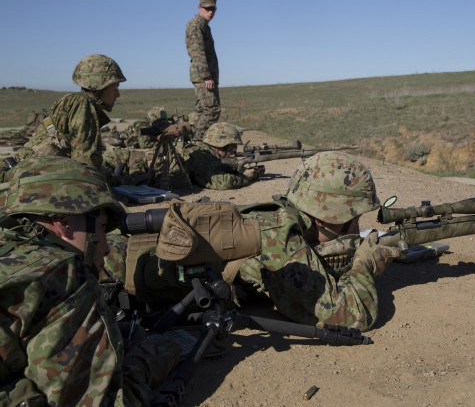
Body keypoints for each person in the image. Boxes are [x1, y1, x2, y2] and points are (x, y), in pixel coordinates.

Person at [127, 151, 401, 332]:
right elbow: (351, 315)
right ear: (329, 216)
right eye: (354, 217)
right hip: (122, 270)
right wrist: (364, 262)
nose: (357, 226)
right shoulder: (281, 238)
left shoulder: (277, 220)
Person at [0, 156, 181, 406]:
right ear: (62, 223)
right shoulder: (62, 275)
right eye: (102, 227)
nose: (106, 248)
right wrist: (148, 361)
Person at [16, 54, 126, 175]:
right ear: (98, 87)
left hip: (30, 169)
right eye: (115, 88)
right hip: (32, 173)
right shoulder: (83, 104)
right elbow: (85, 163)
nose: (118, 95)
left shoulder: (77, 101)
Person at [182, 121, 264, 189]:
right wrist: (246, 176)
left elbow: (217, 166)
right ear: (222, 145)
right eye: (233, 147)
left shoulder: (206, 153)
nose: (234, 151)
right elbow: (223, 182)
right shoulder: (201, 156)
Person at [186, 0, 221, 140]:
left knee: (201, 111)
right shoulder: (196, 25)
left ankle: (192, 141)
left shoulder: (203, 25)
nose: (210, 12)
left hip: (204, 76)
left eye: (213, 9)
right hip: (204, 77)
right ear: (200, 8)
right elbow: (197, 51)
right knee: (212, 111)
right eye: (207, 8)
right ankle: (198, 142)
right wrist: (206, 76)